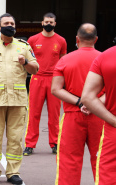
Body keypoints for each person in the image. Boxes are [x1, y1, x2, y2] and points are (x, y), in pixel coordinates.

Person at [0, 13, 39, 185]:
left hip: (18, 101)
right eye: (6, 23)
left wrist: (25, 62)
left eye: (12, 23)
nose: (10, 25)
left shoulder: (24, 47)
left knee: (16, 138)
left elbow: (35, 69)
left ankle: (13, 172)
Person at [51, 23, 104, 185]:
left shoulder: (65, 60)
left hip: (73, 115)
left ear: (77, 39)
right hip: (101, 116)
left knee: (69, 161)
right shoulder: (105, 58)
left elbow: (56, 89)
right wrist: (93, 104)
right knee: (102, 160)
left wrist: (80, 102)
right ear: (95, 39)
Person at [23, 12, 67, 155]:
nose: (48, 24)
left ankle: (54, 143)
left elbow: (63, 62)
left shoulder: (61, 41)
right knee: (34, 113)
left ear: (55, 24)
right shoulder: (33, 40)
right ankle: (30, 144)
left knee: (54, 114)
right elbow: (27, 60)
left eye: (51, 22)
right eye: (46, 22)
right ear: (42, 23)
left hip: (54, 80)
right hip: (37, 78)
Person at [81, 46, 116, 185]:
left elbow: (87, 97)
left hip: (113, 130)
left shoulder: (106, 56)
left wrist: (113, 121)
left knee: (109, 177)